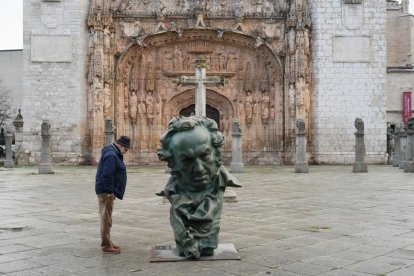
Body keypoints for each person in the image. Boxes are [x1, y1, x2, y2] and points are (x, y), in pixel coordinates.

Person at [157, 116, 240, 258]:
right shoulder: (173, 192)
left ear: (216, 153)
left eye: (204, 155)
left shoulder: (219, 182)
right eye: (187, 160)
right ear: (173, 162)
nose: (199, 168)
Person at [95, 135, 131, 254]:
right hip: (106, 192)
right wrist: (110, 191)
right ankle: (106, 245)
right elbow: (107, 174)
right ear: (120, 145)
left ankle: (108, 242)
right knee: (106, 219)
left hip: (106, 190)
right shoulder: (111, 155)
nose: (126, 152)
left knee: (107, 218)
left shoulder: (112, 153)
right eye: (126, 149)